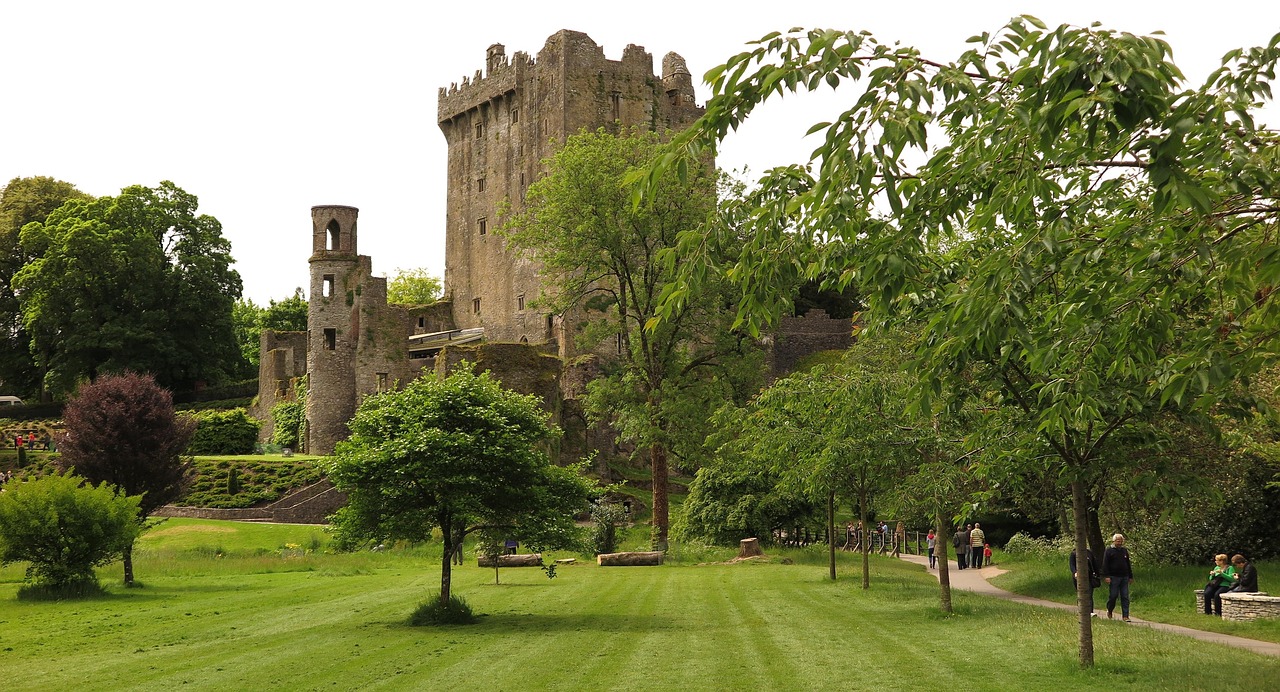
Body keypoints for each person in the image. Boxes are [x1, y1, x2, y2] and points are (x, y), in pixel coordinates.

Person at [1102, 533, 1134, 621]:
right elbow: (1105, 564)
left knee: (1125, 596)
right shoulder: (1109, 551)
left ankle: (1125, 616)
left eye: (1121, 541)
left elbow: (1128, 564)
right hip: (1113, 577)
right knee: (1113, 596)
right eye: (1118, 541)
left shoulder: (1124, 551)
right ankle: (1110, 610)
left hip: (1124, 577)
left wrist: (1130, 576)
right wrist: (1107, 576)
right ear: (1114, 541)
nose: (1119, 542)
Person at [1070, 547, 1100, 615]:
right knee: (1081, 594)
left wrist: (1097, 574)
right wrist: (1075, 572)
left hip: (1089, 577)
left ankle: (1090, 612)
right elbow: (1072, 565)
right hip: (1078, 577)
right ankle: (1081, 611)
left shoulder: (1089, 553)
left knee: (1089, 594)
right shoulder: (1074, 553)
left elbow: (1094, 564)